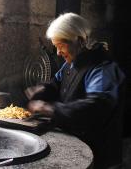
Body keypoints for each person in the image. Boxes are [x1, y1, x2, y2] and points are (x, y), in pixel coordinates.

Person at [24, 12, 125, 169]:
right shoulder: (71, 62)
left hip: (99, 152)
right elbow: (57, 83)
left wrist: (50, 108)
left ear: (79, 40)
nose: (58, 52)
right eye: (56, 47)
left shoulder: (102, 67)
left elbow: (96, 105)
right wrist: (42, 89)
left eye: (61, 46)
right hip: (77, 141)